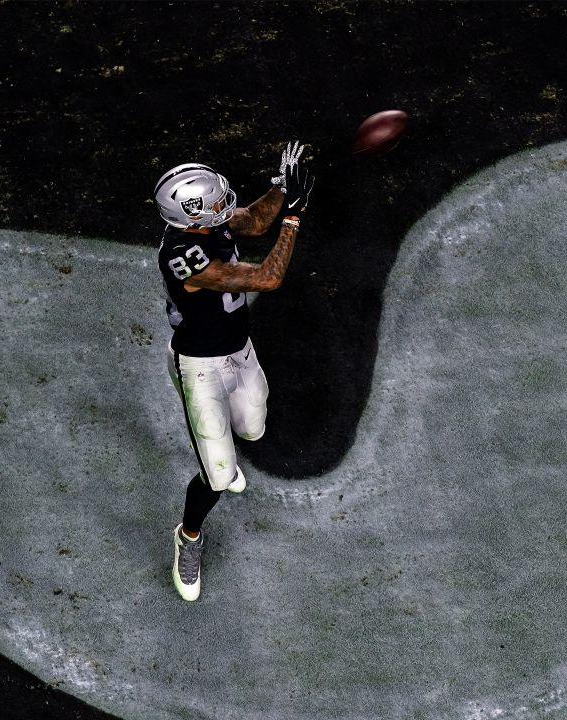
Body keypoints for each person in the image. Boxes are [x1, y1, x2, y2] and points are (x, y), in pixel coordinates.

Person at [153, 141, 315, 601]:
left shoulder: (211, 225)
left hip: (238, 350)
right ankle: (188, 536)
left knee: (253, 429)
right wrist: (295, 217)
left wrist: (280, 188)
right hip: (199, 366)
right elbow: (267, 278)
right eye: (217, 205)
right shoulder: (184, 257)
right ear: (192, 218)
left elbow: (256, 219)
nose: (227, 208)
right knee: (219, 476)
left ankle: (223, 451)